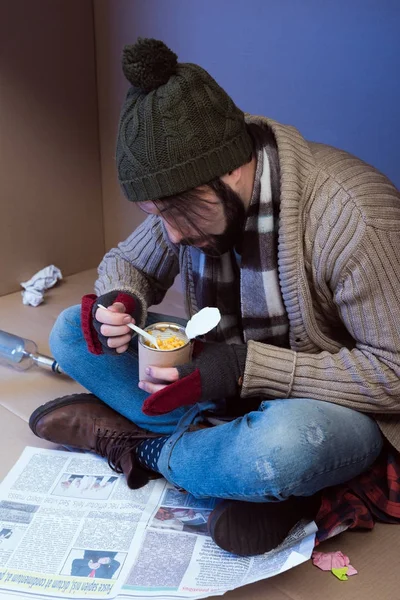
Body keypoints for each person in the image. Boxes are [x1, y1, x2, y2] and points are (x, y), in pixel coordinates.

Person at [29, 38, 400, 556]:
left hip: (328, 408)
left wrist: (247, 368)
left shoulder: (353, 216)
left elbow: (394, 375)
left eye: (178, 211)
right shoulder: (187, 198)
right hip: (220, 383)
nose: (173, 235)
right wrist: (121, 301)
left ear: (231, 168)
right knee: (72, 330)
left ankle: (153, 448)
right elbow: (129, 263)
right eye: (154, 214)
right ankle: (235, 473)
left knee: (281, 449)